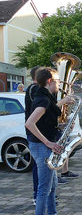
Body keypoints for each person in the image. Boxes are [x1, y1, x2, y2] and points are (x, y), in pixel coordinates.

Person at [25, 67, 74, 215]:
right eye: (58, 81)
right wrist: (48, 143)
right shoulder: (43, 100)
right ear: (49, 81)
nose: (60, 84)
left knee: (52, 185)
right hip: (41, 146)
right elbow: (30, 124)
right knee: (44, 187)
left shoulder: (46, 98)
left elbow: (44, 122)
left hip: (45, 145)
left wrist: (61, 126)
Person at [25, 67, 40, 205]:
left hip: (38, 133)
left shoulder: (35, 89)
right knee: (38, 166)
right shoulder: (34, 89)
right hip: (35, 134)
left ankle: (42, 194)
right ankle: (37, 196)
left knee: (41, 166)